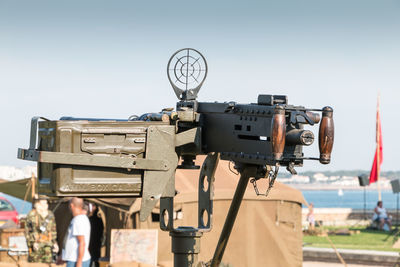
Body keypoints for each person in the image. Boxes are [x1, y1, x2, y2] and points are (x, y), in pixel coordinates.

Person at [25, 195, 58, 263]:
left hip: (48, 245)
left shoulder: (50, 214)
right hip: (37, 246)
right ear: (37, 203)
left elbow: (53, 230)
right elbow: (28, 231)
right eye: (42, 203)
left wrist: (55, 243)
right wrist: (32, 243)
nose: (44, 205)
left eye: (46, 203)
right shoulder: (32, 214)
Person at [61, 197, 91, 267]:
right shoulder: (78, 218)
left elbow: (82, 243)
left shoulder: (79, 220)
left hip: (76, 260)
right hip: (73, 259)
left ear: (71, 205)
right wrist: (63, 256)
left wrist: (79, 263)